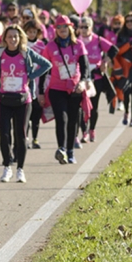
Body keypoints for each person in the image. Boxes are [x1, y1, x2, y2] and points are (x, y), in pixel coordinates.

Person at [0, 25, 52, 183]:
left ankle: (20, 169)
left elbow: (47, 64)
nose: (13, 39)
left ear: (20, 38)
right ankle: (7, 167)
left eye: (16, 36)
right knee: (4, 135)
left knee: (21, 135)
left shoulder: (26, 53)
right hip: (4, 99)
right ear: (4, 38)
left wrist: (30, 76)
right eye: (10, 36)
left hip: (23, 100)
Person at [40, 15, 91, 164]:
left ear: (70, 28)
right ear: (56, 30)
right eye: (59, 27)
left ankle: (70, 151)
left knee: (73, 120)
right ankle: (61, 149)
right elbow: (44, 69)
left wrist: (83, 82)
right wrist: (41, 92)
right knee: (62, 119)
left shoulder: (79, 45)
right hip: (57, 89)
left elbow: (85, 66)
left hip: (75, 89)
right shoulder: (50, 47)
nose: (62, 30)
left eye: (65, 27)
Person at [77, 17, 118, 142]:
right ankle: (84, 131)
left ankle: (92, 129)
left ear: (91, 28)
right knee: (81, 107)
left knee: (93, 107)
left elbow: (113, 50)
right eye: (81, 27)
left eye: (86, 27)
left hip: (97, 78)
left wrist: (105, 61)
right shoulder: (76, 41)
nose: (83, 30)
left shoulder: (98, 40)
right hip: (81, 78)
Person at [23, 20, 48, 149]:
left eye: (34, 32)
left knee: (37, 113)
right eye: (29, 32)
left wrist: (42, 90)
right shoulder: (21, 45)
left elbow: (45, 66)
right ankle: (25, 137)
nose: (31, 34)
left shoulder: (42, 46)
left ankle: (35, 138)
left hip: (38, 83)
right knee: (25, 112)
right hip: (23, 83)